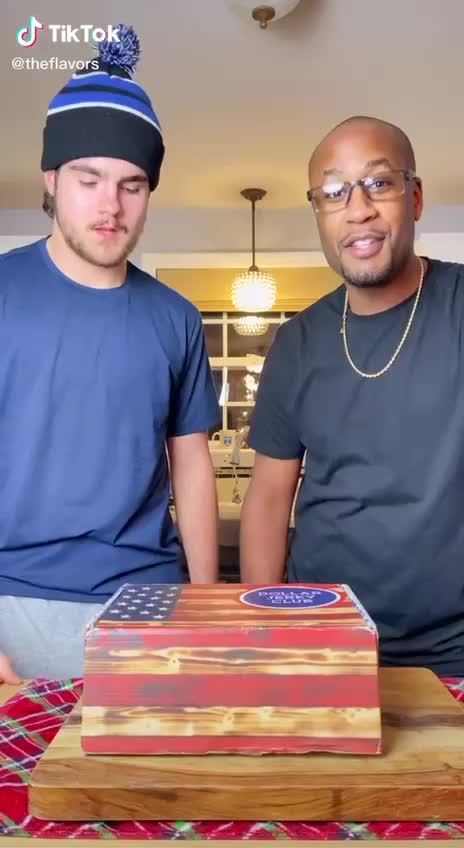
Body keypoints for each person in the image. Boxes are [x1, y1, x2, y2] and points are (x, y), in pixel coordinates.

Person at [0, 25, 220, 682]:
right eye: (88, 178)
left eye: (132, 184)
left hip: (147, 601)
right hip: (11, 598)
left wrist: (207, 604)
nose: (110, 206)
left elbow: (192, 464)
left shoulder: (176, 317)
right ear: (51, 178)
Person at [241, 114, 464, 676]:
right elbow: (268, 500)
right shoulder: (296, 342)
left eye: (379, 183)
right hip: (320, 645)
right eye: (334, 192)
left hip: (455, 654)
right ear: (319, 213)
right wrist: (262, 637)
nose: (357, 209)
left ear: (415, 197)